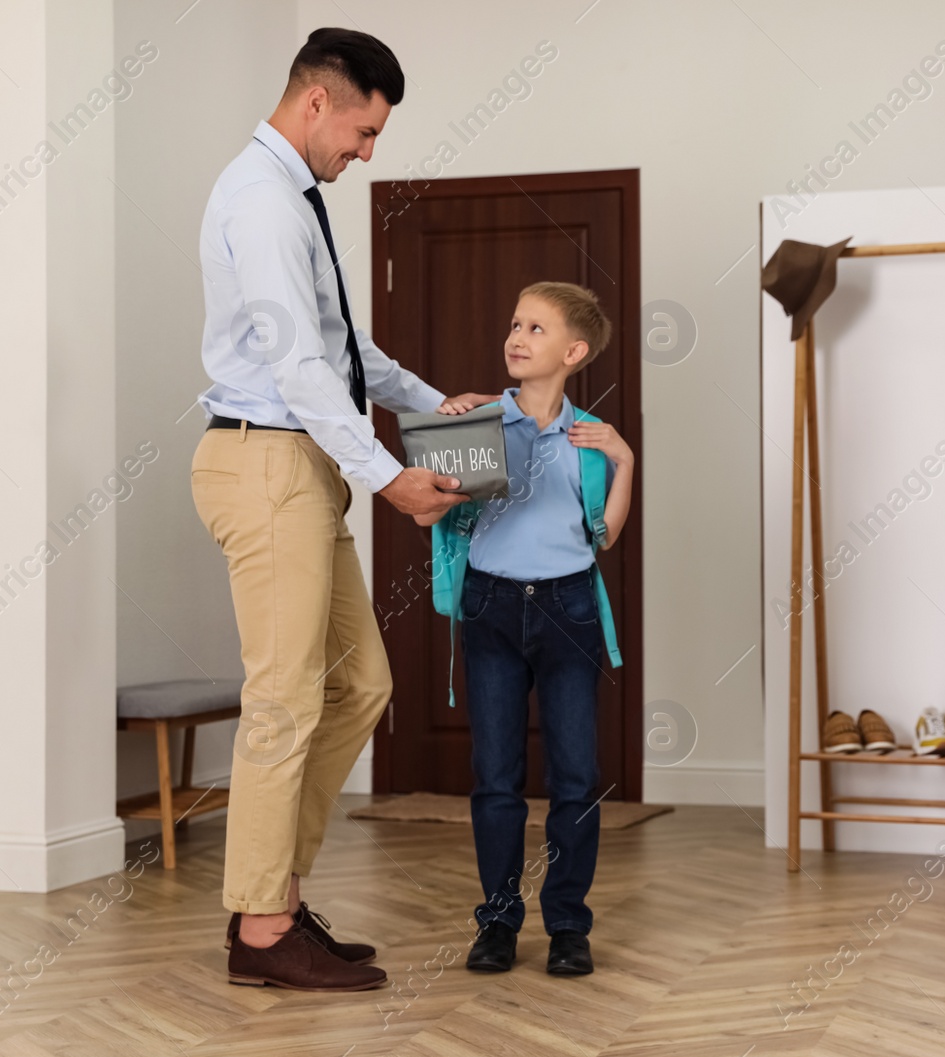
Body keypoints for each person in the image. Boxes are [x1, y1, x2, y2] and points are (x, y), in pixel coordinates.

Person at [191, 28, 497, 992]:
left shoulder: (293, 198)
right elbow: (295, 371)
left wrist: (424, 400)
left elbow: (339, 346)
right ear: (317, 101)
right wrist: (389, 477)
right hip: (268, 463)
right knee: (284, 698)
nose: (368, 153)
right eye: (364, 131)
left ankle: (270, 893)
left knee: (360, 684)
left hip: (300, 465)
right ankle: (265, 928)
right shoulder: (262, 200)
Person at [425, 282, 634, 976]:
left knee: (576, 775)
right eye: (516, 323)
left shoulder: (590, 440)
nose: (517, 337)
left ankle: (569, 925)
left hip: (568, 609)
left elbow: (603, 536)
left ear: (573, 352)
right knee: (496, 776)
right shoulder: (476, 422)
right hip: (491, 607)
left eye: (537, 329)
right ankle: (498, 921)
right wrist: (448, 430)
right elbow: (433, 513)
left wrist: (625, 461)